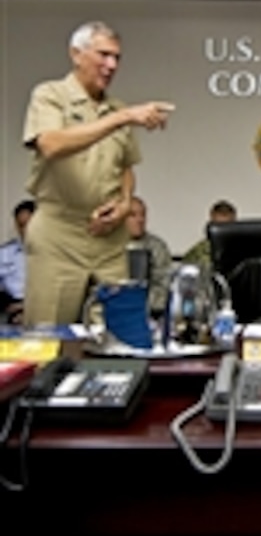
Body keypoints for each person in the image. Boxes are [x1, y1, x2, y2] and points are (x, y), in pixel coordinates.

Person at [22, 20, 173, 325]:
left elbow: (126, 168)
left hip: (109, 239)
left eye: (117, 58)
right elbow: (50, 144)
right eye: (103, 55)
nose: (111, 65)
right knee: (49, 337)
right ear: (76, 54)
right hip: (59, 234)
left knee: (119, 335)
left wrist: (125, 202)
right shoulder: (50, 95)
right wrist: (123, 117)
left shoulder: (115, 109)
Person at [125, 196, 173, 319]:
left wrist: (141, 303)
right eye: (133, 215)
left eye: (143, 215)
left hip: (148, 313)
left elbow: (165, 285)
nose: (140, 220)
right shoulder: (106, 247)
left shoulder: (157, 247)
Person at [0, 200, 35, 324]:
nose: (25, 231)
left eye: (29, 225)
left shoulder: (56, 254)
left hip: (46, 309)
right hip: (13, 310)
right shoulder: (4, 253)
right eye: (21, 225)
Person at [181, 199, 237, 270]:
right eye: (217, 226)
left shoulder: (243, 252)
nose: (221, 232)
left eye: (226, 226)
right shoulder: (198, 252)